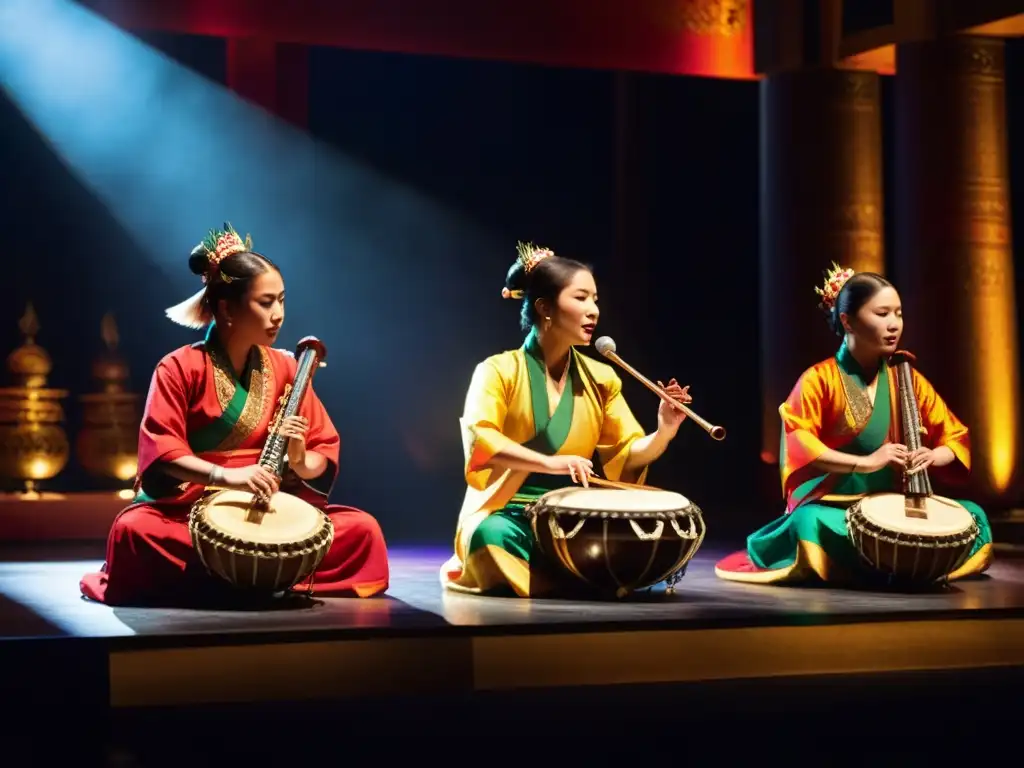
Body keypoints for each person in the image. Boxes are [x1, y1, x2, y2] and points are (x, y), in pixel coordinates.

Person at [80, 224, 390, 605]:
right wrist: (229, 476)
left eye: (281, 300)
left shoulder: (289, 369)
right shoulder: (179, 367)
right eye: (265, 302)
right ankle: (263, 577)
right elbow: (163, 451)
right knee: (134, 532)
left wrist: (297, 458)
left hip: (266, 500)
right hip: (193, 506)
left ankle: (229, 579)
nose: (278, 314)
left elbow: (321, 451)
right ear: (226, 307)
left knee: (362, 531)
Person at [441, 241, 692, 597]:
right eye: (581, 298)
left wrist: (664, 431)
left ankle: (572, 576)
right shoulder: (498, 371)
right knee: (490, 538)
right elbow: (482, 441)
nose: (593, 311)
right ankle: (582, 581)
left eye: (596, 299)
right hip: (511, 510)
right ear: (545, 307)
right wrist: (550, 463)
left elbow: (625, 453)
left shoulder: (601, 377)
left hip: (575, 511)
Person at [715, 264, 993, 586]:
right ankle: (901, 565)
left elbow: (954, 435)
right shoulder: (819, 379)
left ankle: (887, 564)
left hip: (896, 505)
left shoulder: (907, 378)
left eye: (898, 314)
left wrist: (934, 456)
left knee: (975, 517)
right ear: (847, 320)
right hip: (840, 508)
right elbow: (800, 443)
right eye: (882, 313)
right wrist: (866, 463)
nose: (893, 325)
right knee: (808, 521)